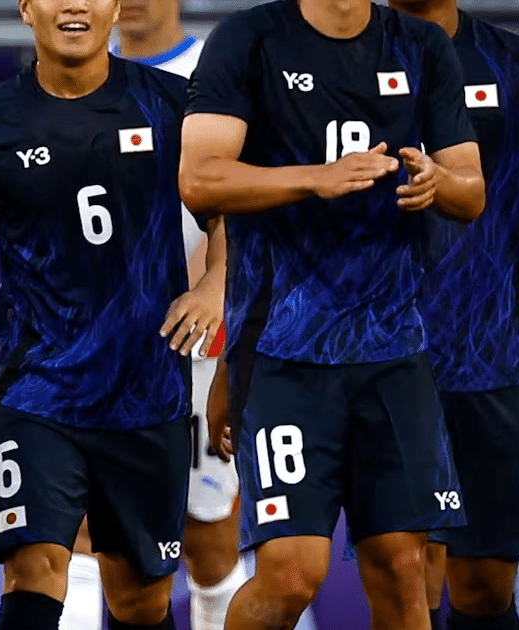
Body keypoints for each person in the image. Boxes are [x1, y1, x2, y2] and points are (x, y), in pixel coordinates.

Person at [181, 0, 487, 629]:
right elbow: (200, 178)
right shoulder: (248, 39)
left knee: (404, 568)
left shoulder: (422, 46)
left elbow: (470, 189)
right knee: (292, 574)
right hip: (282, 352)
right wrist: (313, 177)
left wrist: (436, 180)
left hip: (393, 348)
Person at [0, 0, 227, 626]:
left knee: (140, 599)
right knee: (34, 567)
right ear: (25, 7)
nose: (74, 4)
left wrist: (214, 284)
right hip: (38, 389)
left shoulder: (174, 104)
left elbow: (229, 210)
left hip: (148, 390)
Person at [387, 2, 519, 629]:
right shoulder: (337, 59)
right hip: (382, 353)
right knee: (408, 567)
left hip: (490, 355)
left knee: (484, 586)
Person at [108, 3, 248, 630]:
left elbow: (245, 197)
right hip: (91, 346)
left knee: (207, 537)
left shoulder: (213, 71)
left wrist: (214, 281)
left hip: (193, 343)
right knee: (79, 531)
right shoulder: (72, 66)